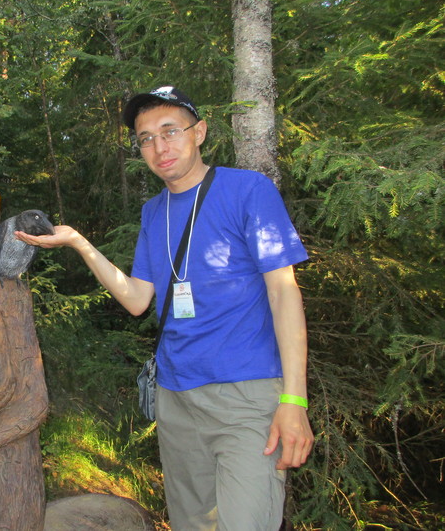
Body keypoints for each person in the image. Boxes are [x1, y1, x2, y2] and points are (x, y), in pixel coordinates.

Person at [16, 85, 314, 530]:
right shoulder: (154, 212)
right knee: (193, 524)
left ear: (200, 132)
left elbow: (283, 293)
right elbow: (137, 299)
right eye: (146, 138)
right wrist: (78, 242)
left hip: (247, 397)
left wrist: (294, 399)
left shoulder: (247, 190)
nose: (159, 146)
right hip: (176, 399)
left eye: (170, 130)